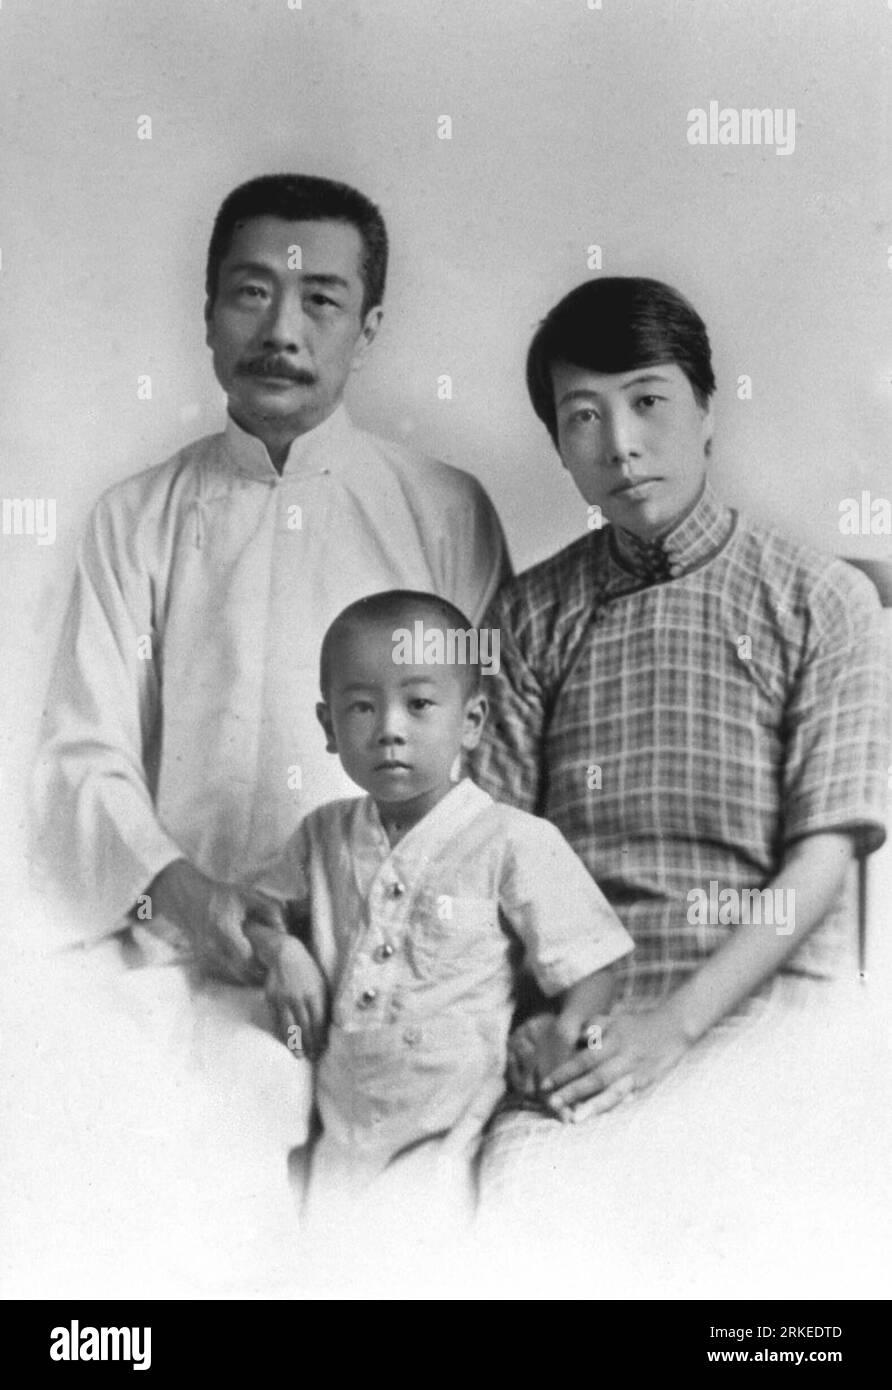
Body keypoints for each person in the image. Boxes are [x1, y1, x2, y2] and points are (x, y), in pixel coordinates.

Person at [30, 175, 508, 1273]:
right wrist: (191, 898)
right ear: (207, 315)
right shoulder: (137, 518)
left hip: (391, 969)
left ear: (369, 327)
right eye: (250, 293)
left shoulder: (443, 510)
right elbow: (80, 756)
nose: (282, 331)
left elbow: (492, 762)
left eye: (321, 301)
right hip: (168, 954)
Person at [468, 277, 890, 1291]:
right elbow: (498, 859)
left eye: (647, 400)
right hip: (591, 1032)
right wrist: (531, 1022)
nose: (618, 443)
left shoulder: (822, 601)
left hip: (767, 1023)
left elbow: (821, 856)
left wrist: (677, 1029)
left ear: (707, 408)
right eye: (582, 417)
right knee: (524, 1201)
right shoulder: (530, 617)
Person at [244, 589, 633, 1222]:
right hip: (343, 1116)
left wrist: (567, 1032)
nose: (390, 729)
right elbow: (256, 909)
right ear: (328, 728)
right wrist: (283, 951)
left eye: (420, 704)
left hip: (453, 1126)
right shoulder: (322, 834)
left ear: (472, 721)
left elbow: (595, 967)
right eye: (362, 707)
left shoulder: (513, 840)